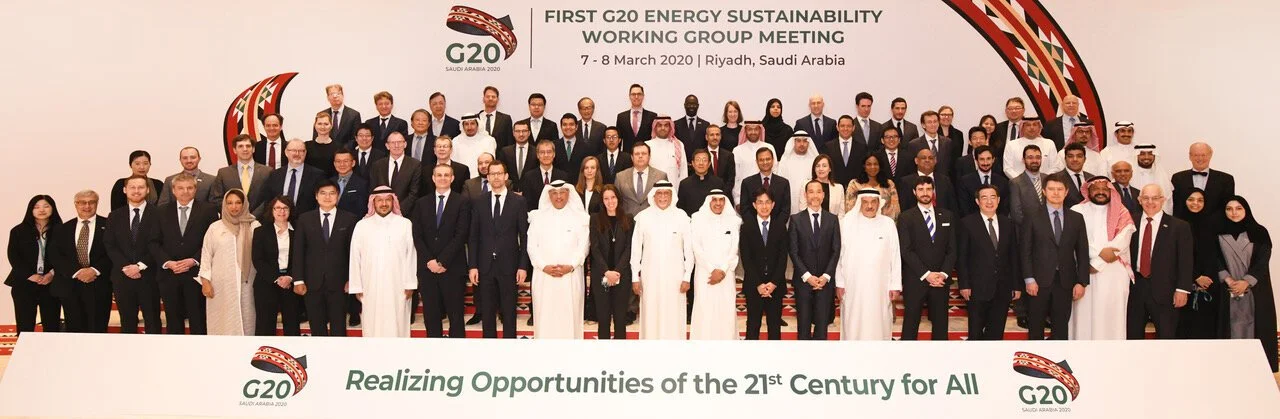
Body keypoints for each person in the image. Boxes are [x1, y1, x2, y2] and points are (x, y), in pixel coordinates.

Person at [1214, 196, 1279, 372]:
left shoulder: (1259, 232)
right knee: (1229, 330)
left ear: (1246, 210)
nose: (1234, 213)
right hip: (1227, 289)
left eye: (1239, 208)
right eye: (1229, 209)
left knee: (1256, 328)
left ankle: (1257, 371)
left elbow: (1263, 260)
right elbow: (1215, 259)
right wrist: (1228, 279)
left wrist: (1246, 281)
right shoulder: (1217, 232)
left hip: (1254, 289)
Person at [1020, 178, 1090, 340]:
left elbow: (1082, 251)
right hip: (1038, 281)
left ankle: (1059, 357)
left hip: (1066, 282)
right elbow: (1025, 250)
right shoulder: (1032, 216)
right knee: (1036, 326)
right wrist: (1029, 279)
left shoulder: (1076, 218)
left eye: (1060, 189)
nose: (1056, 193)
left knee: (1061, 327)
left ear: (1066, 192)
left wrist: (1082, 282)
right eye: (1051, 189)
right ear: (1044, 192)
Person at [1068, 176, 1136, 340]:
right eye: (1095, 189)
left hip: (1113, 271)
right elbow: (1076, 239)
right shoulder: (1077, 210)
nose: (1100, 192)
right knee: (1083, 313)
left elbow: (1123, 240)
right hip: (1084, 270)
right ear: (1088, 190)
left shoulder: (1122, 211)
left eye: (1105, 189)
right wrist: (1095, 258)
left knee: (1112, 313)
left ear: (1111, 191)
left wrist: (1097, 263)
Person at [150, 174, 219, 334]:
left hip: (195, 274)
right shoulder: (160, 211)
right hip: (169, 274)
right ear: (173, 190)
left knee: (198, 319)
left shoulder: (208, 210)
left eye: (189, 188)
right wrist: (168, 262)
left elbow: (211, 242)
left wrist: (194, 260)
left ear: (195, 189)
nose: (185, 191)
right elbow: (153, 242)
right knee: (173, 320)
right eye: (180, 188)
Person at [468, 161, 529, 338]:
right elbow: (473, 237)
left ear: (506, 176)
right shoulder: (479, 202)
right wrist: (473, 266)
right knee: (487, 313)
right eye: (492, 174)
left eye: (499, 173)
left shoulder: (518, 201)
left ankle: (509, 348)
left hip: (509, 266)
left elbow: (524, 236)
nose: (496, 177)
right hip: (485, 266)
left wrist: (522, 266)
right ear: (487, 177)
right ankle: (489, 349)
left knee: (509, 312)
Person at [292, 180, 359, 337]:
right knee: (317, 328)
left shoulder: (349, 219)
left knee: (339, 327)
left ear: (338, 196)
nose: (327, 197)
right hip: (312, 283)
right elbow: (298, 251)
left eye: (332, 193)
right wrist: (298, 280)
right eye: (323, 193)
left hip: (339, 283)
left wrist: (352, 279)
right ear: (316, 196)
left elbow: (353, 253)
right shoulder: (304, 219)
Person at [349, 186, 418, 338]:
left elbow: (411, 256)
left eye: (388, 200)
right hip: (370, 285)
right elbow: (354, 257)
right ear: (373, 203)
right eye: (379, 200)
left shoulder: (405, 224)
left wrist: (410, 284)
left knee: (398, 323)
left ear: (394, 202)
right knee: (372, 324)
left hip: (398, 285)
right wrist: (357, 286)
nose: (384, 204)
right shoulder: (362, 226)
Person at [412, 164, 472, 338]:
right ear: (433, 178)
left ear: (452, 178)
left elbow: (461, 234)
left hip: (452, 268)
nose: (443, 178)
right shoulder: (421, 203)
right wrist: (430, 261)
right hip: (427, 269)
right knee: (431, 315)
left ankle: (456, 351)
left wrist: (442, 261)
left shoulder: (462, 202)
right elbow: (417, 235)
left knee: (455, 315)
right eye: (439, 175)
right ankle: (433, 351)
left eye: (446, 175)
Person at [1128, 184, 1193, 339]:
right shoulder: (1129, 222)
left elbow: (1185, 260)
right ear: (1139, 200)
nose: (1150, 202)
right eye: (1146, 198)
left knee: (1167, 337)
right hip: (1135, 290)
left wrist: (1182, 289)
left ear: (1163, 200)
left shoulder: (1179, 226)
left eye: (1155, 198)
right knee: (1132, 338)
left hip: (1166, 291)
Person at [631, 180, 694, 340]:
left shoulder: (681, 216)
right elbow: (636, 249)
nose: (663, 197)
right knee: (651, 314)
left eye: (666, 193)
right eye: (659, 193)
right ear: (653, 196)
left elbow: (689, 250)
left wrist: (687, 277)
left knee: (674, 315)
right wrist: (634, 277)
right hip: (650, 277)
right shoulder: (643, 217)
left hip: (676, 277)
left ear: (672, 196)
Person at [527, 181, 591, 339]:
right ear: (548, 195)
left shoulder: (580, 218)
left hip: (571, 276)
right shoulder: (538, 218)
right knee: (545, 318)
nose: (559, 196)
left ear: (569, 194)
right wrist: (544, 266)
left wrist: (571, 266)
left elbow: (584, 246)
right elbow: (531, 246)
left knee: (570, 317)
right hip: (544, 277)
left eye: (562, 192)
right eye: (554, 193)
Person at [956, 185, 1021, 340]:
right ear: (977, 201)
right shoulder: (967, 223)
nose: (989, 201)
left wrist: (1016, 285)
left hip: (1002, 288)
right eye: (984, 198)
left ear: (998, 200)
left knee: (996, 332)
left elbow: (1014, 256)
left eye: (993, 197)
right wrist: (964, 284)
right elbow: (962, 257)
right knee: (976, 333)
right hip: (977, 288)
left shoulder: (1008, 223)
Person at [836, 189, 902, 340]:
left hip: (881, 287)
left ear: (879, 203)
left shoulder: (888, 224)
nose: (869, 206)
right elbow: (839, 256)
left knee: (879, 322)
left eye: (873, 202)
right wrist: (839, 282)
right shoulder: (847, 223)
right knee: (853, 323)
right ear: (859, 203)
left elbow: (895, 256)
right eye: (865, 202)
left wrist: (895, 285)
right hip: (853, 286)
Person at [897, 177, 957, 340]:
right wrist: (927, 274)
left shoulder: (947, 216)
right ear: (914, 192)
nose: (925, 193)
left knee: (941, 325)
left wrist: (943, 274)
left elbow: (952, 250)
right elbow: (906, 250)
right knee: (910, 325)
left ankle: (939, 356)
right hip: (916, 279)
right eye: (921, 189)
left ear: (933, 191)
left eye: (929, 189)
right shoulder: (906, 217)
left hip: (940, 280)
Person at [104, 175, 163, 334]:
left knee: (153, 320)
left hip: (149, 276)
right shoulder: (114, 215)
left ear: (148, 190)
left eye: (141, 187)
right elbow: (110, 245)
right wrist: (126, 266)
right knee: (127, 322)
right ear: (125, 190)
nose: (136, 191)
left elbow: (160, 243)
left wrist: (140, 266)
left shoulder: (159, 214)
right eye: (132, 187)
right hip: (122, 277)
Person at [198, 189, 260, 336]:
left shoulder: (254, 226)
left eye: (238, 203)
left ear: (244, 204)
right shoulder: (215, 227)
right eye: (230, 203)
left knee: (247, 320)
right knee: (221, 321)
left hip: (247, 283)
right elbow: (206, 255)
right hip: (220, 285)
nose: (234, 207)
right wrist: (205, 282)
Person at [789, 181, 841, 340]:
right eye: (811, 192)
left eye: (818, 192)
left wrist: (826, 276)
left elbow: (836, 250)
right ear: (805, 195)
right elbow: (793, 251)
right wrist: (807, 276)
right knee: (803, 327)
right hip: (803, 281)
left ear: (823, 195)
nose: (815, 195)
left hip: (825, 282)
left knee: (821, 328)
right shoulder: (796, 219)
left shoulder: (832, 219)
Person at [688, 190, 741, 340]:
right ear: (709, 201)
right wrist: (712, 270)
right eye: (714, 200)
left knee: (726, 310)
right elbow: (696, 247)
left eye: (721, 200)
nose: (718, 203)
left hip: (726, 274)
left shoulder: (733, 220)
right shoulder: (697, 219)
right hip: (705, 273)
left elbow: (734, 248)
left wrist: (722, 270)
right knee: (705, 310)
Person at [6, 195, 61, 334]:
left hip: (51, 283)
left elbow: (65, 256)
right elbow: (13, 257)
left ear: (53, 208)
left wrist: (52, 274)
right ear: (30, 210)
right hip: (24, 283)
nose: (41, 210)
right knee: (25, 326)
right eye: (37, 207)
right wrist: (30, 275)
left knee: (52, 326)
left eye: (46, 206)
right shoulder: (18, 231)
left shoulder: (62, 230)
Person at [740, 189, 788, 340]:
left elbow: (783, 258)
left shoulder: (780, 226)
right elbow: (746, 259)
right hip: (754, 286)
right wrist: (758, 284)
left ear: (773, 205)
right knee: (753, 326)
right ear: (754, 205)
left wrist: (773, 283)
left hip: (775, 286)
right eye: (760, 202)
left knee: (774, 327)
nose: (764, 206)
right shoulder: (746, 227)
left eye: (767, 202)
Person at [252, 196, 302, 336]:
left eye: (285, 208)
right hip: (267, 283)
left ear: (290, 210)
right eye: (278, 208)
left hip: (291, 284)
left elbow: (301, 258)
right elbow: (257, 260)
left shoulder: (299, 231)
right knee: (265, 326)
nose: (282, 211)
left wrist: (290, 277)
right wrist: (276, 278)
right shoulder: (260, 232)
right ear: (272, 210)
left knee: (292, 326)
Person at [589, 185, 635, 339]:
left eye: (613, 197)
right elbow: (594, 248)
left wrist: (617, 271)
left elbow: (629, 248)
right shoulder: (595, 219)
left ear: (618, 198)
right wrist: (607, 272)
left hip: (622, 275)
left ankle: (620, 352)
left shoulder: (628, 219)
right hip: (601, 275)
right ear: (602, 201)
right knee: (603, 320)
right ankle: (604, 352)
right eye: (606, 198)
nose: (610, 201)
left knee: (620, 320)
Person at [1176, 188, 1219, 339]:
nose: (1196, 203)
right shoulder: (1176, 224)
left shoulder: (1212, 225)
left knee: (1207, 329)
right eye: (1191, 199)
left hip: (1209, 284)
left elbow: (1215, 254)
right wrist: (1196, 277)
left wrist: (1207, 277)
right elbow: (1177, 255)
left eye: (1200, 200)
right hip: (1184, 285)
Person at [262, 139, 325, 216]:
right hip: (280, 219)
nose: (297, 154)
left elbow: (320, 202)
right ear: (286, 152)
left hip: (306, 220)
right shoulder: (275, 175)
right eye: (293, 150)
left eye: (301, 151)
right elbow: (269, 202)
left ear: (305, 153)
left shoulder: (318, 175)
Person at [211, 134, 272, 211]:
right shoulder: (223, 173)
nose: (245, 149)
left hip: (259, 217)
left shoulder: (267, 172)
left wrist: (254, 215)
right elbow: (216, 199)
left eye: (248, 146)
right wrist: (234, 213)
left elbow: (270, 198)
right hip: (231, 217)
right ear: (234, 150)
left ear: (253, 149)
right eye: (240, 146)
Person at [369, 131, 422, 216]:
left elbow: (414, 193)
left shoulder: (415, 165)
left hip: (405, 214)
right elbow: (373, 191)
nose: (396, 145)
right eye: (393, 143)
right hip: (381, 213)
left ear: (405, 144)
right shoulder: (377, 165)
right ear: (387, 146)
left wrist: (397, 210)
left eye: (400, 142)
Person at [956, 145, 1010, 218]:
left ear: (993, 160)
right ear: (976, 161)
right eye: (982, 159)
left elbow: (1004, 207)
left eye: (988, 159)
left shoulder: (1002, 181)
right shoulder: (965, 181)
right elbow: (964, 208)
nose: (985, 163)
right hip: (973, 221)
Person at [897, 148, 958, 212]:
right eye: (923, 158)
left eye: (930, 158)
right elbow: (904, 208)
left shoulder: (945, 181)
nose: (927, 160)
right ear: (916, 160)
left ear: (935, 161)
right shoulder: (906, 182)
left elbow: (953, 207)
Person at [737, 147, 791, 220]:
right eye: (761, 160)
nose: (765, 162)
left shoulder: (783, 183)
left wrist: (775, 225)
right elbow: (745, 210)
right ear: (757, 162)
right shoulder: (747, 183)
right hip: (753, 226)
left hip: (777, 225)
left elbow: (785, 210)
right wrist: (757, 225)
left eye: (768, 159)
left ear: (773, 160)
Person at [615, 142, 667, 216]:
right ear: (632, 157)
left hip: (653, 219)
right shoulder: (620, 177)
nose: (640, 156)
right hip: (627, 220)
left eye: (644, 153)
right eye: (637, 154)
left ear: (649, 156)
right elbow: (617, 202)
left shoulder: (661, 176)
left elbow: (667, 202)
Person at [845, 153, 901, 220]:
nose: (872, 167)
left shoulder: (889, 184)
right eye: (869, 164)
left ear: (880, 166)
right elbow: (850, 208)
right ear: (864, 167)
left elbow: (895, 209)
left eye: (875, 164)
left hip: (884, 222)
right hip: (860, 222)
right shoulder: (855, 184)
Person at [731, 121, 775, 204]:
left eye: (756, 129)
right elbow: (736, 177)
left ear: (760, 130)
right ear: (745, 131)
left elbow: (775, 172)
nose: (753, 132)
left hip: (767, 198)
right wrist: (737, 200)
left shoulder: (769, 147)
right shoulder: (737, 150)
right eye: (750, 129)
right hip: (745, 196)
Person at [521, 139, 571, 211]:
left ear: (554, 154)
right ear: (537, 155)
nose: (546, 155)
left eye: (549, 152)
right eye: (542, 152)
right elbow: (527, 203)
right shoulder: (528, 177)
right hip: (536, 216)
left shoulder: (563, 176)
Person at [907, 110, 956, 179]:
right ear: (923, 125)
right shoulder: (914, 144)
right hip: (922, 182)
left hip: (943, 182)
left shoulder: (948, 142)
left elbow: (951, 166)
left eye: (935, 121)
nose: (933, 125)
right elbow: (911, 168)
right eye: (929, 122)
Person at [777, 130, 819, 212]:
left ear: (809, 143)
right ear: (794, 142)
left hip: (810, 202)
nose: (802, 144)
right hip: (790, 201)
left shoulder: (815, 161)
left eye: (805, 141)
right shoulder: (785, 161)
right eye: (798, 141)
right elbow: (780, 184)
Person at [678, 149, 726, 216]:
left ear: (709, 164)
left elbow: (723, 206)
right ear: (693, 163)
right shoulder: (684, 184)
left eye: (704, 160)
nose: (701, 163)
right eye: (698, 160)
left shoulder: (718, 183)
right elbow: (681, 210)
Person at [823, 115, 868, 187]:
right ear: (837, 127)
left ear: (853, 128)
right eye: (842, 126)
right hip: (834, 187)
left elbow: (864, 170)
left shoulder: (862, 148)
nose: (845, 129)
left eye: (849, 126)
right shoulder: (828, 147)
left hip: (856, 188)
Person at [1046, 143, 1095, 208]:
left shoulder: (1092, 179)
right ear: (1065, 159)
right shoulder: (1055, 179)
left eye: (1079, 156)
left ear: (1085, 159)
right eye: (1070, 156)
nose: (1075, 159)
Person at [1008, 144, 1048, 225]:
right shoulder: (1015, 183)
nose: (1034, 160)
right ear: (1023, 160)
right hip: (1026, 229)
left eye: (1038, 157)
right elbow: (1016, 213)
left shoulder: (1048, 179)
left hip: (1048, 228)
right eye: (1030, 157)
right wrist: (1032, 228)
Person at [646, 116, 688, 188]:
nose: (663, 128)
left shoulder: (678, 145)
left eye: (666, 125)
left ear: (670, 127)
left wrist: (683, 189)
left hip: (674, 188)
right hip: (652, 188)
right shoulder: (647, 145)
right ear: (655, 127)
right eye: (659, 125)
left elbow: (683, 170)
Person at [1130, 144, 1175, 214]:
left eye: (1150, 154)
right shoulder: (1128, 176)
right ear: (1136, 156)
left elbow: (1168, 203)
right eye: (1142, 154)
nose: (1146, 157)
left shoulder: (1162, 175)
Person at [317, 84, 363, 148]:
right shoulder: (321, 115)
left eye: (338, 93)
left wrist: (342, 150)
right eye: (332, 94)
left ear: (343, 95)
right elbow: (316, 136)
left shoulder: (354, 115)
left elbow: (356, 138)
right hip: (324, 150)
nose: (335, 96)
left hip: (346, 152)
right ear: (327, 97)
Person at [454, 114, 498, 178]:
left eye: (472, 123)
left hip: (483, 178)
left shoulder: (489, 140)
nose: (469, 127)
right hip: (461, 178)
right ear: (462, 126)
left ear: (477, 125)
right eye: (466, 124)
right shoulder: (455, 141)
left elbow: (491, 163)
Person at [499, 120, 540, 190]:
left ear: (529, 133)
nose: (521, 134)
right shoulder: (505, 151)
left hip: (530, 191)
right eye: (518, 131)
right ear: (513, 133)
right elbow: (502, 173)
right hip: (510, 192)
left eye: (524, 131)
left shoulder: (536, 151)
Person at [615, 84, 657, 151]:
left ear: (643, 96)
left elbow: (655, 140)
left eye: (639, 94)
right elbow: (618, 141)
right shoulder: (621, 117)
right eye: (633, 94)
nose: (636, 97)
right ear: (629, 96)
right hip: (627, 155)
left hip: (645, 155)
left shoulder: (652, 116)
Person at [553, 113, 591, 183]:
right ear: (561, 127)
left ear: (576, 127)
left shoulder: (586, 147)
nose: (568, 127)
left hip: (579, 185)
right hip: (558, 186)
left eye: (571, 124)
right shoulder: (553, 146)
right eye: (565, 124)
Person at [332, 149, 370, 216]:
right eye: (338, 161)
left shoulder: (363, 184)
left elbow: (363, 210)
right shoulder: (329, 182)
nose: (342, 164)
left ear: (353, 163)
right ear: (334, 164)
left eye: (346, 161)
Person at [675, 95, 711, 162]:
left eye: (694, 104)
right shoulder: (676, 124)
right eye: (689, 104)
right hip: (682, 164)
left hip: (700, 164)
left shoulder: (705, 125)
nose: (691, 106)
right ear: (685, 105)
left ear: (698, 106)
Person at [306, 111, 342, 177]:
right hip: (311, 181)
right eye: (319, 124)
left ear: (331, 126)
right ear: (315, 125)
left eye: (326, 124)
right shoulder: (307, 146)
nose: (322, 127)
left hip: (331, 182)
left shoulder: (338, 147)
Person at [702, 125, 736, 191]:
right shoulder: (700, 155)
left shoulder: (729, 155)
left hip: (724, 194)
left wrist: (721, 194)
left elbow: (731, 179)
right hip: (704, 194)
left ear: (720, 137)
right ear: (706, 137)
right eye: (712, 135)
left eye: (717, 135)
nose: (715, 137)